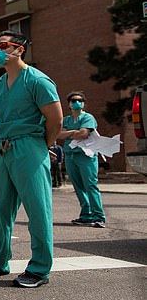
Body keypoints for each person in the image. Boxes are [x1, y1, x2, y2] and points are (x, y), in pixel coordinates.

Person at [0, 30, 62, 288]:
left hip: (29, 146)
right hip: (3, 148)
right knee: (0, 208)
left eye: (4, 45)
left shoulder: (38, 80)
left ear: (20, 49)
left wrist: (44, 146)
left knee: (37, 209)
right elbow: (2, 117)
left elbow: (55, 119)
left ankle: (39, 268)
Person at [58, 91, 105, 227]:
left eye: (79, 100)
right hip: (70, 155)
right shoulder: (66, 119)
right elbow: (57, 134)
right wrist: (74, 133)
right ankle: (86, 215)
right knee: (78, 186)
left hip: (86, 156)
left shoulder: (88, 118)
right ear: (69, 104)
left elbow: (83, 134)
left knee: (90, 185)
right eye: (73, 100)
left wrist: (68, 133)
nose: (76, 102)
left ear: (84, 103)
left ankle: (99, 216)